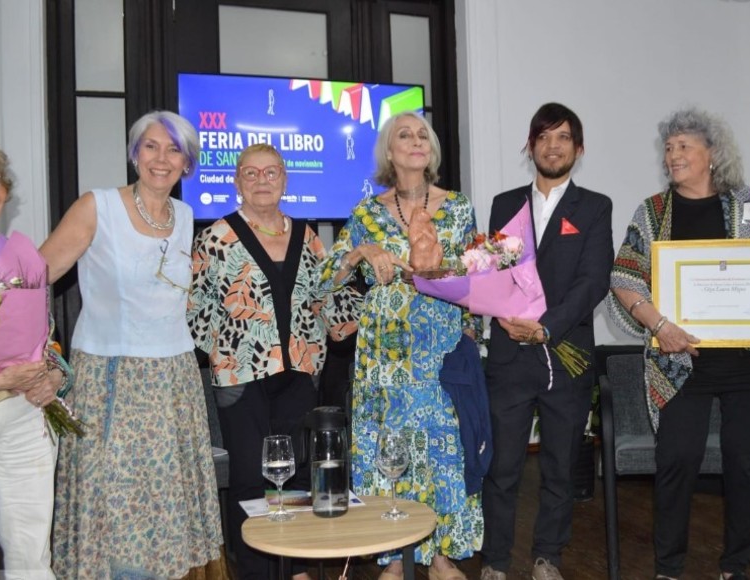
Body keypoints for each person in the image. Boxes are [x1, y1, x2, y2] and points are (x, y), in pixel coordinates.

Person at [606, 107, 750, 580]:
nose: (673, 155)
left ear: (713, 153)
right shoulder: (652, 211)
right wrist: (661, 326)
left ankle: (735, 565)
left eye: (684, 146)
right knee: (676, 462)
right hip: (681, 364)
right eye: (669, 147)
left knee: (748, 464)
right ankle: (668, 568)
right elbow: (624, 276)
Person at [41, 111, 226, 579]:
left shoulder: (185, 216)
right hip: (112, 378)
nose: (161, 159)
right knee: (114, 498)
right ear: (134, 153)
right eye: (150, 146)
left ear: (187, 162)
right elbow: (35, 278)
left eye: (173, 149)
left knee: (164, 502)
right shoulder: (97, 206)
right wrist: (41, 354)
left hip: (173, 380)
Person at [321, 111, 483, 580]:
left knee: (444, 448)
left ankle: (441, 557)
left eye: (422, 135)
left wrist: (471, 336)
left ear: (431, 151)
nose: (416, 141)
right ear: (389, 153)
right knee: (389, 449)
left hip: (440, 348)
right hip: (384, 356)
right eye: (404, 135)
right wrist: (359, 252)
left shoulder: (458, 207)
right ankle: (393, 556)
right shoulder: (366, 214)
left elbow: (477, 273)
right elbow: (327, 279)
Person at [187, 143, 359, 580]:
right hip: (240, 377)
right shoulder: (215, 238)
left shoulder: (308, 236)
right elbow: (194, 310)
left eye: (270, 172)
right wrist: (224, 351)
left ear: (284, 178)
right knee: (249, 477)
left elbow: (327, 297)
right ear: (236, 181)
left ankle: (295, 568)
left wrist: (361, 305)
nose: (261, 181)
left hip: (300, 371)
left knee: (297, 475)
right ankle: (258, 573)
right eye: (251, 173)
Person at [479, 103, 614, 580]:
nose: (552, 146)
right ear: (530, 145)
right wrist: (500, 311)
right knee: (502, 468)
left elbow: (593, 281)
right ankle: (495, 561)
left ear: (579, 149)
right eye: (543, 137)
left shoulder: (594, 207)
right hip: (509, 355)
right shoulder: (504, 204)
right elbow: (492, 273)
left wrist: (547, 326)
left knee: (559, 467)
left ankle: (547, 558)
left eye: (563, 138)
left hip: (566, 352)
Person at [0, 136, 72, 579]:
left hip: (25, 414)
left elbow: (47, 337)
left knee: (31, 548)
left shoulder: (21, 256)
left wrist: (53, 374)